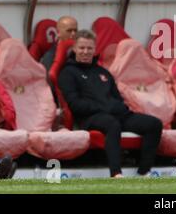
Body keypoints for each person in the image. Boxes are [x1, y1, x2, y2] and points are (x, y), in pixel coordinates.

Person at [58, 30, 163, 178]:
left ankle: (143, 172)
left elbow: (117, 98)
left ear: (95, 49)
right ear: (74, 48)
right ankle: (116, 173)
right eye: (82, 48)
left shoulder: (102, 72)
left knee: (154, 124)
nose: (85, 52)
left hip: (115, 114)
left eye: (89, 48)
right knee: (112, 124)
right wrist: (105, 107)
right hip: (89, 118)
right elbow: (76, 105)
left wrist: (119, 107)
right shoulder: (68, 73)